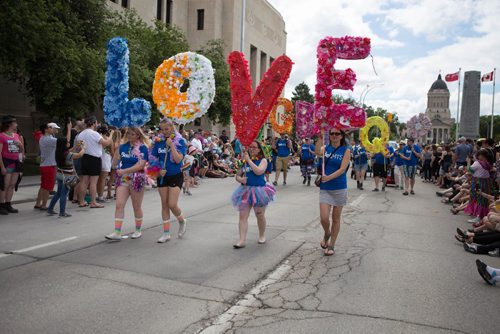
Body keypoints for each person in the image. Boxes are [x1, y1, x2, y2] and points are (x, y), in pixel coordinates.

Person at [105, 127, 149, 241]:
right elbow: (114, 164)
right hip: (123, 179)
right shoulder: (123, 147)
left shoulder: (143, 148)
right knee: (119, 204)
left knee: (136, 206)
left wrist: (124, 171)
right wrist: (116, 153)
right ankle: (117, 232)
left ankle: (138, 230)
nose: (129, 136)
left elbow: (141, 165)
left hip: (137, 178)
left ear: (138, 136)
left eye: (133, 134)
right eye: (128, 133)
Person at [232, 141, 276, 248]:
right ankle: (242, 240)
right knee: (243, 216)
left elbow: (259, 171)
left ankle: (262, 235)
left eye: (254, 147)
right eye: (250, 147)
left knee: (259, 214)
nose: (252, 149)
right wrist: (240, 179)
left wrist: (248, 161)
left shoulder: (263, 160)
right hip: (245, 190)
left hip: (259, 191)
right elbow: (237, 175)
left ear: (259, 149)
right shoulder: (244, 161)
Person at [315, 128, 351, 256]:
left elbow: (342, 169)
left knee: (336, 219)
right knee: (324, 218)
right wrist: (320, 137)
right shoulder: (325, 148)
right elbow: (316, 151)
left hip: (339, 188)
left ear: (342, 136)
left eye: (337, 134)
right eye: (332, 133)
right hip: (325, 189)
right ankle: (327, 233)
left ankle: (331, 245)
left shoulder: (346, 151)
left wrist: (328, 177)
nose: (334, 136)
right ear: (329, 136)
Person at [150, 118, 188, 243]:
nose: (165, 132)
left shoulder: (180, 141)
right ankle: (166, 233)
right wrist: (158, 170)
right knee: (164, 204)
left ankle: (182, 220)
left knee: (172, 204)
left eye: (167, 129)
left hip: (176, 175)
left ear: (172, 128)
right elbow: (153, 160)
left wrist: (171, 145)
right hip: (162, 176)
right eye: (162, 129)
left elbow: (178, 160)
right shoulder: (158, 142)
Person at [77, 116, 113, 209]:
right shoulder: (95, 134)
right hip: (94, 158)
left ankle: (81, 201)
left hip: (84, 157)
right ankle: (93, 202)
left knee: (84, 181)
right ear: (93, 123)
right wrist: (111, 135)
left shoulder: (80, 134)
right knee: (93, 181)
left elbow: (78, 147)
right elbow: (105, 143)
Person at [47, 138, 85, 217]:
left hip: (60, 174)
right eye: (67, 142)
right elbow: (79, 155)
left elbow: (69, 151)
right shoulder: (67, 154)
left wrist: (75, 146)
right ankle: (62, 212)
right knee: (64, 194)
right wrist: (84, 148)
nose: (68, 143)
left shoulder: (58, 151)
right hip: (67, 176)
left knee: (58, 193)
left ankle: (50, 209)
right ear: (64, 144)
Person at [0, 115, 24, 214]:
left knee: (12, 184)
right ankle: (1, 205)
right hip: (7, 162)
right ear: (10, 124)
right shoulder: (1, 136)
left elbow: (21, 151)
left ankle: (8, 204)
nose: (17, 124)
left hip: (16, 163)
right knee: (4, 185)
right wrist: (2, 167)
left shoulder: (17, 136)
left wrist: (20, 145)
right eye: (15, 122)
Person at [35, 123, 62, 210]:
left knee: (43, 186)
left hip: (46, 165)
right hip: (49, 165)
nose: (54, 129)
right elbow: (65, 142)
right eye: (51, 128)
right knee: (47, 187)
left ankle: (38, 203)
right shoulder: (47, 139)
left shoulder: (47, 138)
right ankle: (44, 205)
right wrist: (69, 130)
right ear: (46, 129)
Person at [464, 148, 495, 224]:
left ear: (481, 155)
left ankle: (478, 216)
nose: (477, 156)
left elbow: (470, 171)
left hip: (478, 182)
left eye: (478, 155)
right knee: (483, 199)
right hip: (486, 182)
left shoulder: (477, 163)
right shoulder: (488, 163)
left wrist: (468, 162)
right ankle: (479, 215)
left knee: (476, 198)